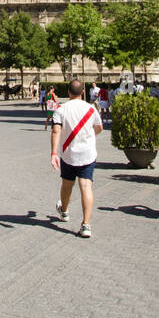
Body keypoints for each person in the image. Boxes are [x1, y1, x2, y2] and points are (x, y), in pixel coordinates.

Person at [50, 79, 103, 238]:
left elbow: (55, 131)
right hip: (87, 153)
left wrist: (53, 153)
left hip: (69, 154)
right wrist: (88, 135)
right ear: (83, 92)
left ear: (68, 92)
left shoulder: (61, 109)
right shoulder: (91, 109)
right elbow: (99, 128)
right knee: (86, 186)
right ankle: (86, 225)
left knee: (67, 185)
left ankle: (64, 212)